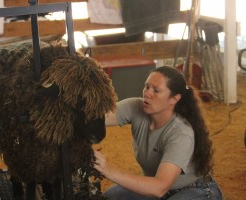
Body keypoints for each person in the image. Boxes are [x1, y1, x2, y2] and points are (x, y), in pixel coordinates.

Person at [93, 66, 223, 200]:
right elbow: (94, 119)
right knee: (110, 197)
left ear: (174, 99)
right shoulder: (136, 107)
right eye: (146, 87)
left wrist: (109, 171)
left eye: (156, 90)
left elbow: (159, 187)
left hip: (196, 190)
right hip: (160, 189)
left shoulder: (181, 133)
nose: (147, 93)